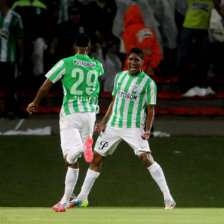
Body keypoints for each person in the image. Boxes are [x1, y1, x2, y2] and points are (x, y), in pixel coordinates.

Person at [67, 48, 176, 210]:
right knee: (96, 158)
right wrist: (103, 122)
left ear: (142, 62)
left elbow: (151, 108)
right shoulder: (119, 77)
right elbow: (114, 101)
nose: (133, 62)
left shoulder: (148, 83)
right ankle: (83, 197)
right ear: (127, 60)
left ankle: (168, 197)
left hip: (134, 127)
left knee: (146, 158)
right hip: (113, 126)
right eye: (131, 59)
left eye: (136, 60)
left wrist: (147, 129)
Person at [26, 34, 104, 212]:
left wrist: (35, 102)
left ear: (74, 47)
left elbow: (46, 85)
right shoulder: (97, 65)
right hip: (90, 114)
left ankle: (83, 148)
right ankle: (64, 200)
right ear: (90, 48)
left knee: (69, 156)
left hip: (71, 113)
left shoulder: (66, 62)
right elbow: (98, 76)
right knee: (73, 162)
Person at [177, 0, 222, 97]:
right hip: (191, 28)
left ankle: (197, 84)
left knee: (202, 58)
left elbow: (218, 6)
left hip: (200, 29)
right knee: (186, 58)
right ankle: (185, 86)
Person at [121, 4, 162, 76]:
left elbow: (130, 51)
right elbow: (157, 52)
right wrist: (151, 66)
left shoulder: (128, 32)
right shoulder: (149, 31)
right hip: (147, 71)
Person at [0, 0, 24, 118]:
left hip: (9, 58)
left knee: (9, 86)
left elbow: (20, 37)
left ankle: (12, 110)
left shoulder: (15, 17)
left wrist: (21, 55)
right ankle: (5, 110)